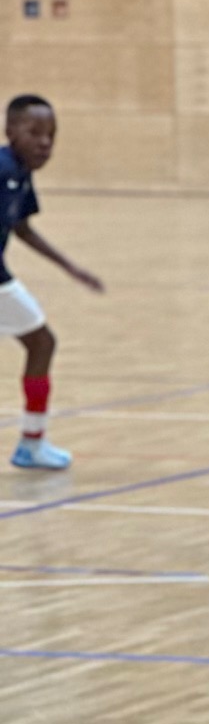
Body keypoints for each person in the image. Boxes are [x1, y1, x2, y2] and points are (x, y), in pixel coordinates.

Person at [1, 94, 104, 472]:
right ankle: (31, 443)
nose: (45, 143)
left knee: (41, 342)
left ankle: (32, 444)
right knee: (42, 342)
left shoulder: (19, 172)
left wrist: (70, 267)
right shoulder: (1, 169)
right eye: (35, 133)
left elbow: (22, 227)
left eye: (51, 135)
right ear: (10, 131)